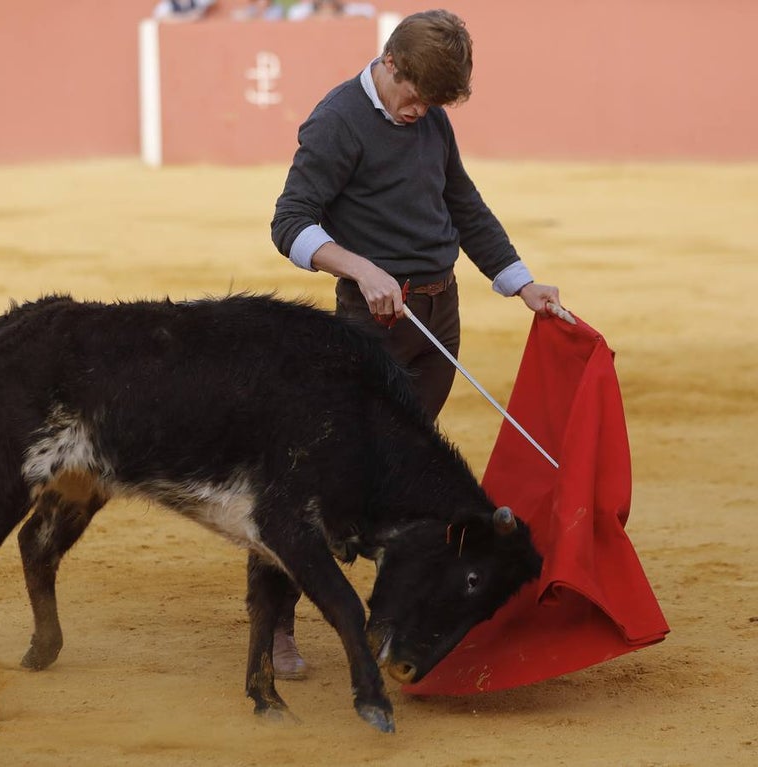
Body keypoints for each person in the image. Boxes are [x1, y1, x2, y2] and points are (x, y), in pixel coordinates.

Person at [269, 9, 561, 680]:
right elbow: (289, 224)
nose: (419, 110)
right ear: (391, 63)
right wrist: (360, 267)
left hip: (438, 319)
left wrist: (520, 283)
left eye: (432, 102)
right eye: (413, 95)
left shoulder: (429, 116)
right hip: (370, 330)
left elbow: (463, 205)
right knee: (323, 479)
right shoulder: (337, 120)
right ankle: (278, 624)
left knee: (402, 483)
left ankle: (394, 615)